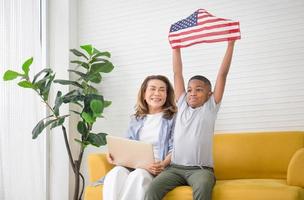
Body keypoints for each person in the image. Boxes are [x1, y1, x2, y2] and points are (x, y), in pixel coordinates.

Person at [145, 40, 236, 200]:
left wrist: (230, 44)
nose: (192, 93)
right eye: (189, 90)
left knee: (203, 187)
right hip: (174, 169)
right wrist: (176, 47)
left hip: (200, 170)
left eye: (199, 90)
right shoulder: (182, 105)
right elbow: (177, 73)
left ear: (209, 94)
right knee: (152, 189)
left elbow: (222, 74)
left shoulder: (210, 108)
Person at [103, 75, 177, 200]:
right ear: (144, 94)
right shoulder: (136, 119)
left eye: (162, 90)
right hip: (135, 165)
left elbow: (176, 148)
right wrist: (114, 156)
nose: (157, 93)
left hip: (157, 168)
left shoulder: (173, 118)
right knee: (115, 173)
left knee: (139, 176)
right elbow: (127, 144)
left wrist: (162, 164)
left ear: (167, 95)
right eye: (152, 89)